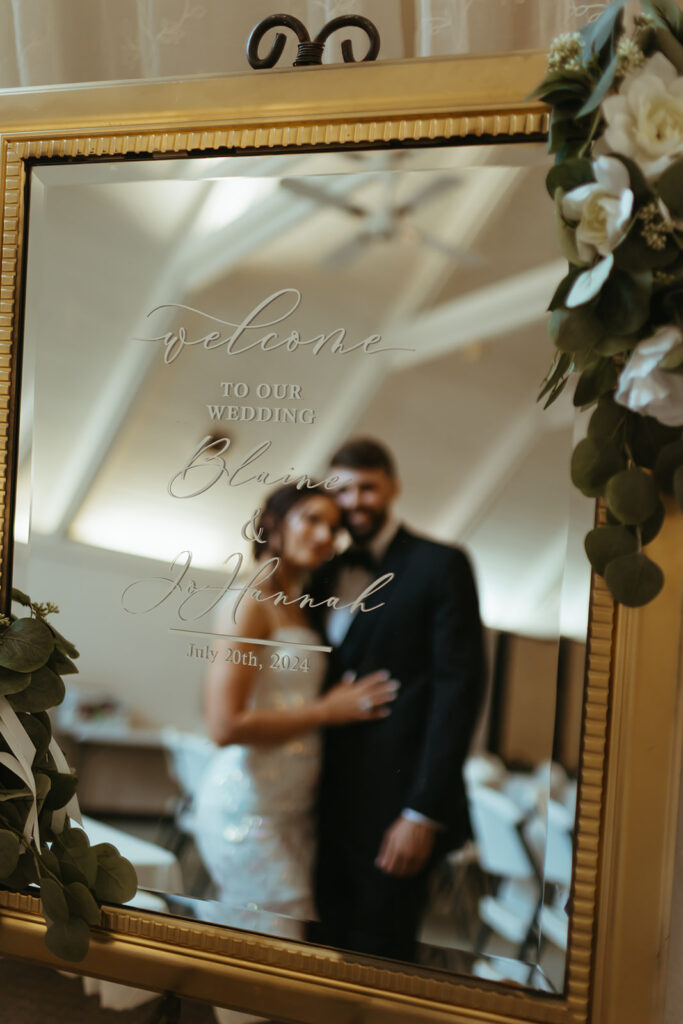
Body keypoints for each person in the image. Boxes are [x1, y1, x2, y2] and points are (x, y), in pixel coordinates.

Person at [193, 483, 398, 935]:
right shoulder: (249, 602)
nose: (327, 535)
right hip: (248, 809)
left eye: (334, 526)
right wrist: (327, 711)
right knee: (272, 945)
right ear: (273, 524)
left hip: (293, 809)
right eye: (312, 519)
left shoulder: (302, 608)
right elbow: (224, 725)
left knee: (259, 946)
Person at [310, 439, 485, 963]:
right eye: (342, 489)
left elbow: (460, 688)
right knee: (320, 947)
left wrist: (422, 813)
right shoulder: (319, 572)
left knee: (381, 956)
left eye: (368, 486)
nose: (355, 500)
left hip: (396, 809)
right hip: (319, 805)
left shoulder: (441, 565)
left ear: (392, 488)